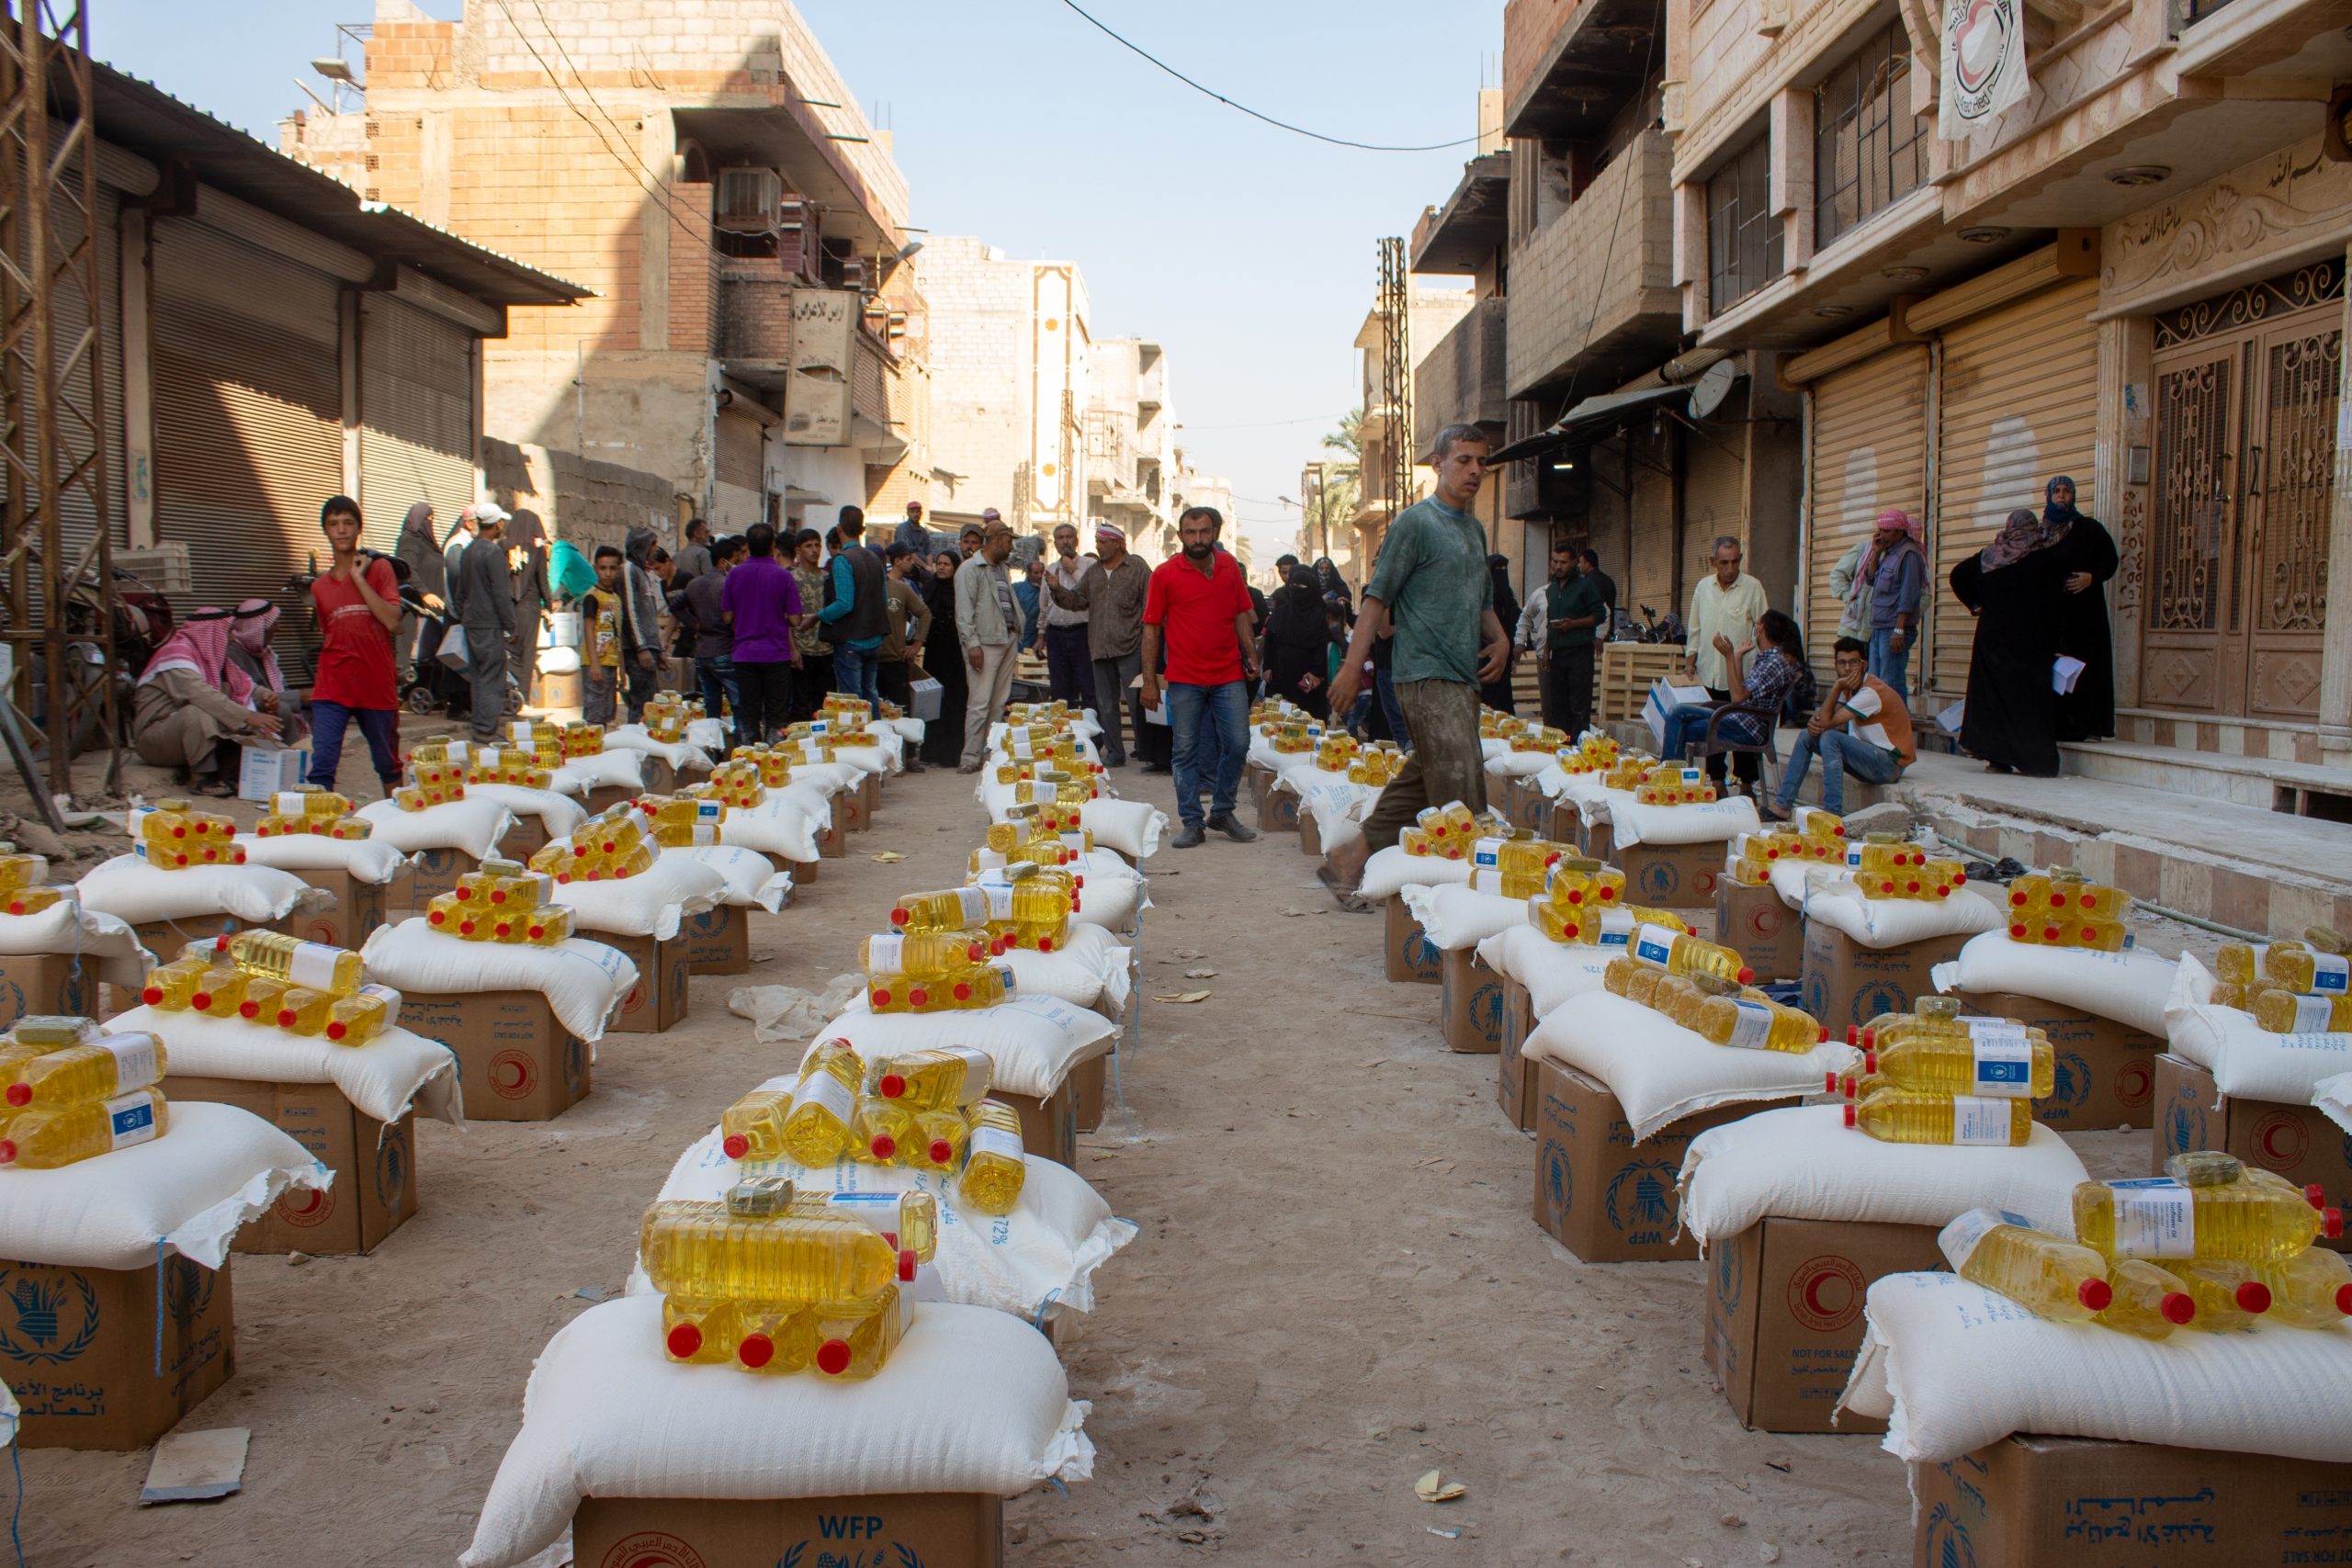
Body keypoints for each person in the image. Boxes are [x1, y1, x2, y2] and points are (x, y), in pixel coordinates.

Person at [1321, 425, 1509, 898]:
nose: (1474, 471)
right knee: (1460, 797)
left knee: (1426, 775)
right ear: (1438, 465)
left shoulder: (1474, 528)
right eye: (1463, 460)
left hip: (1461, 677)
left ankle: (1350, 857)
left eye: (1481, 462)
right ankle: (1455, 901)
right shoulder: (1416, 523)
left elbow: (1482, 600)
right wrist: (1350, 668)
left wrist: (1501, 640)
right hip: (1424, 675)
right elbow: (1376, 598)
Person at [1140, 506, 1260, 846]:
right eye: (1190, 533)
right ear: (1180, 537)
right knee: (1185, 751)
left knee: (1238, 743)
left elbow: (1240, 614)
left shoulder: (1229, 568)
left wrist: (1249, 654)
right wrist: (1150, 681)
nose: (1197, 539)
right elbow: (1151, 630)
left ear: (1215, 533)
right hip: (1185, 678)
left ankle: (1222, 811)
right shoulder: (1164, 574)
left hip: (1228, 674)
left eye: (1203, 532)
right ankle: (1192, 822)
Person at [1951, 508, 2067, 776]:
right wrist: (2062, 642)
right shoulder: (2044, 559)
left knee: (1994, 700)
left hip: (1993, 639)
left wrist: (1975, 603)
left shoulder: (1990, 557)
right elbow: (2056, 604)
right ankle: (2035, 761)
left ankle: (1997, 759)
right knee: (2029, 702)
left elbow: (1957, 575)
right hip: (2031, 641)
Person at [301, 494, 402, 796]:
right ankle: (318, 835)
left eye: (348, 523)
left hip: (375, 682)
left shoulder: (380, 570)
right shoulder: (319, 587)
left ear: (359, 528)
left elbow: (392, 621)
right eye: (333, 524)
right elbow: (329, 632)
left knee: (388, 763)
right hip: (333, 684)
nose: (341, 530)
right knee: (322, 765)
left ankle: (402, 828)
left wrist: (359, 578)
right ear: (326, 531)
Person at [131, 608, 285, 794]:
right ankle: (200, 778)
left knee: (254, 718)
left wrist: (265, 696)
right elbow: (202, 695)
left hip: (184, 735)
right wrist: (248, 716)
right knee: (196, 712)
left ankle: (241, 773)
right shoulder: (176, 657)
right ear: (212, 633)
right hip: (154, 739)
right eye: (227, 632)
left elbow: (242, 684)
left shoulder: (214, 659)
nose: (232, 638)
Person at [1763, 635, 1914, 820]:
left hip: (1889, 765)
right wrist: (1816, 722)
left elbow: (1827, 723)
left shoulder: (1870, 692)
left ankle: (1832, 813)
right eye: (1842, 663)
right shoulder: (1850, 688)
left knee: (1830, 737)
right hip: (1872, 760)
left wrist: (1835, 689)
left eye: (1853, 663)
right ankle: (1782, 805)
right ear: (1835, 665)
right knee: (1806, 736)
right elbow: (1824, 718)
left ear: (1864, 665)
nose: (1847, 668)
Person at [1046, 522, 1154, 767]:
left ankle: (1145, 750)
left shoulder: (1137, 567)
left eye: (1104, 542)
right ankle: (1115, 753)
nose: (1099, 546)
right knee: (1105, 705)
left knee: (1137, 702)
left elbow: (1150, 605)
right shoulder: (1094, 572)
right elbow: (1077, 601)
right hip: (1099, 647)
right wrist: (1057, 589)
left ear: (1118, 543)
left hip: (1131, 646)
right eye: (1097, 542)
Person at [1657, 609, 1812, 769]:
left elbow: (1738, 697)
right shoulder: (1769, 659)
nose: (1754, 628)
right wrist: (1737, 656)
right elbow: (1741, 691)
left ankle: (1672, 778)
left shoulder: (1774, 662)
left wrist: (1729, 656)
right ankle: (1674, 777)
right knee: (1678, 715)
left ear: (1762, 629)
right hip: (1737, 719)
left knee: (1677, 720)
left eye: (1756, 624)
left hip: (1746, 728)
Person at [1681, 536, 1771, 794]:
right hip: (1710, 671)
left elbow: (1762, 627)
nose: (1730, 569)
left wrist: (1755, 659)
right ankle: (1717, 782)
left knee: (1742, 728)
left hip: (1742, 675)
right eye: (1724, 563)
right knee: (1713, 728)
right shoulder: (1702, 588)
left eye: (1734, 562)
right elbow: (1694, 629)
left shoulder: (1752, 587)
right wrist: (1690, 663)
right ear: (1713, 562)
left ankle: (1746, 784)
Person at [2042, 475, 2117, 741]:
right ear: (2049, 496)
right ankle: (2059, 726)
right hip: (2055, 615)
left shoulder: (2089, 529)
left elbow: (2110, 561)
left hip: (2087, 614)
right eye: (2057, 492)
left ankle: (2091, 727)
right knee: (2058, 668)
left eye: (2067, 491)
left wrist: (2091, 578)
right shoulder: (2042, 534)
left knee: (2088, 668)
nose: (2062, 496)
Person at [725, 523, 804, 744]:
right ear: (772, 546)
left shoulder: (734, 575)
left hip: (744, 655)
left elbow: (727, 617)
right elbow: (796, 619)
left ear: (748, 546)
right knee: (776, 716)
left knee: (748, 714)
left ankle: (748, 763)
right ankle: (775, 763)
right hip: (776, 656)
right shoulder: (784, 577)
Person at [954, 521, 1021, 772]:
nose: (1011, 545)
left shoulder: (1001, 567)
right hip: (984, 643)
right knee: (980, 703)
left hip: (1006, 638)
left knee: (997, 703)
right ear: (996, 540)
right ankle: (970, 757)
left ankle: (989, 754)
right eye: (1008, 540)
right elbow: (964, 613)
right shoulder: (969, 569)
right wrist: (972, 644)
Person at [1519, 541, 1604, 736]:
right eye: (1555, 562)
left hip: (1579, 653)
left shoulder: (1585, 587)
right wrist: (1546, 650)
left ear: (1574, 562)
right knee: (1557, 705)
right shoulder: (1551, 589)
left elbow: (1599, 616)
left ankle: (1577, 750)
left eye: (1563, 562)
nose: (1558, 566)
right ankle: (1560, 749)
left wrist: (1573, 624)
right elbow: (1549, 621)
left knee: (1578, 706)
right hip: (1557, 653)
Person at [450, 502, 515, 739]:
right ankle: (486, 729)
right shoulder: (493, 552)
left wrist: (463, 614)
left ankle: (480, 725)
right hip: (489, 623)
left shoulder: (468, 551)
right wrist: (511, 624)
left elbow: (460, 590)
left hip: (472, 622)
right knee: (492, 677)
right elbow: (501, 593)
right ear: (497, 524)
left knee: (478, 676)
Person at [817, 505, 888, 716]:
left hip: (851, 643)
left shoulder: (843, 561)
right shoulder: (875, 559)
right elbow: (883, 598)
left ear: (839, 529)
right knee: (870, 695)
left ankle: (859, 743)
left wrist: (818, 616)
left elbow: (844, 604)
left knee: (852, 702)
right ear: (862, 530)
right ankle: (876, 739)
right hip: (874, 639)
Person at [1854, 509, 1927, 707]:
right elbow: (1870, 579)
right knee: (1877, 684)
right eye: (1880, 531)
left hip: (1894, 630)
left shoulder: (1908, 554)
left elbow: (1909, 594)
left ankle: (1897, 730)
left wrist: (1899, 628)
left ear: (1899, 531)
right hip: (1879, 629)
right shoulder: (1889, 554)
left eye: (1886, 532)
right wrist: (1876, 553)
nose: (1881, 536)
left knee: (1891, 683)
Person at [681, 533, 743, 749]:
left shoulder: (695, 584)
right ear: (724, 561)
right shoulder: (727, 584)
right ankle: (740, 749)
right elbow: (733, 617)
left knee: (712, 708)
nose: (737, 565)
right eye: (735, 560)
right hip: (724, 649)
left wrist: (694, 624)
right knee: (739, 704)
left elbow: (676, 607)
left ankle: (714, 751)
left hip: (702, 652)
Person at [877, 542, 933, 771]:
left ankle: (909, 758)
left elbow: (924, 613)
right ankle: (882, 760)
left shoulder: (901, 589)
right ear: (896, 560)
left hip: (896, 659)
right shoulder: (868, 587)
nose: (912, 563)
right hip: (870, 661)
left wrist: (917, 644)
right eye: (909, 558)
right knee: (875, 714)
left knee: (902, 711)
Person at [1261, 565, 1337, 720]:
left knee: (1307, 721)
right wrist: (1268, 667)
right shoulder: (1281, 613)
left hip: (1306, 679)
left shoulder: (1318, 617)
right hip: (1280, 676)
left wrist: (1315, 673)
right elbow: (1270, 640)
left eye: (1303, 587)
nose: (1298, 590)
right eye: (1294, 586)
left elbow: (1321, 648)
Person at [227, 597, 305, 747]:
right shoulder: (233, 654)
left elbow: (278, 689)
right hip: (247, 712)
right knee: (283, 711)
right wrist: (299, 696)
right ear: (257, 628)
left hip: (271, 702)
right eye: (273, 623)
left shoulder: (266, 653)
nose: (279, 628)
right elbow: (246, 697)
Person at [1040, 522, 1099, 716]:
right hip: (1056, 635)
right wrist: (1041, 635)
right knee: (1061, 691)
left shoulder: (1089, 565)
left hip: (1083, 633)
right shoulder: (1049, 569)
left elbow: (1094, 594)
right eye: (1060, 538)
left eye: (1069, 537)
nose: (1065, 541)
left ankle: (1093, 740)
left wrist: (1073, 569)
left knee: (1088, 687)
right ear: (1055, 542)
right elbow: (1044, 606)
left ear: (1076, 540)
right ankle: (1063, 738)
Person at [919, 547, 968, 768]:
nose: (941, 567)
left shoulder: (961, 591)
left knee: (955, 700)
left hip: (956, 653)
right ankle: (931, 752)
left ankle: (951, 753)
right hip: (935, 652)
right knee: (934, 700)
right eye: (939, 563)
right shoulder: (930, 588)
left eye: (946, 564)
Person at [392, 502, 447, 676]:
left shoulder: (428, 543)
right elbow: (407, 570)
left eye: (432, 518)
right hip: (412, 607)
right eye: (427, 518)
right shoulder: (409, 541)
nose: (430, 522)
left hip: (431, 610)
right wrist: (425, 593)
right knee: (409, 654)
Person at [620, 525, 666, 723]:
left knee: (650, 705)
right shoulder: (629, 570)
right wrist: (641, 648)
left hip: (649, 649)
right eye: (652, 544)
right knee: (640, 706)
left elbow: (649, 615)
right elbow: (630, 612)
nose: (655, 549)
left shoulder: (642, 573)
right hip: (639, 651)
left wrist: (659, 649)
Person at [506, 507, 549, 704]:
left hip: (508, 607)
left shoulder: (503, 547)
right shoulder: (536, 550)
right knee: (527, 652)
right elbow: (543, 581)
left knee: (511, 651)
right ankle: (521, 695)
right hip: (530, 607)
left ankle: (508, 691)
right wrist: (548, 604)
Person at [581, 545, 627, 725]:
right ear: (595, 569)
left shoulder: (615, 598)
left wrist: (622, 670)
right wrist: (594, 664)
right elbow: (589, 630)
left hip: (610, 663)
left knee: (607, 713)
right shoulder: (592, 597)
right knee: (594, 714)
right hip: (596, 663)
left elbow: (617, 634)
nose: (608, 573)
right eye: (603, 568)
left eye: (613, 568)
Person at [787, 528, 829, 722]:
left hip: (826, 649)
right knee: (800, 707)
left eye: (817, 545)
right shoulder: (792, 579)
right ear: (798, 550)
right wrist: (792, 649)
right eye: (808, 546)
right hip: (802, 650)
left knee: (822, 708)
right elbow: (785, 617)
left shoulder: (827, 578)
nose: (814, 550)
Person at [1483, 555, 1521, 714]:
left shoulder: (1507, 597)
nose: (1501, 574)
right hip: (1483, 657)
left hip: (1503, 660)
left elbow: (1514, 624)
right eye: (1497, 570)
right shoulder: (1483, 598)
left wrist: (1511, 655)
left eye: (1503, 570)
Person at [1579, 548, 1616, 638]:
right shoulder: (1608, 580)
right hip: (1608, 630)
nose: (1578, 565)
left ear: (1588, 564)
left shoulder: (1587, 583)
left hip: (1593, 631)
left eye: (1580, 562)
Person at [672, 517, 713, 585]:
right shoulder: (703, 553)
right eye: (706, 532)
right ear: (696, 534)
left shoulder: (676, 556)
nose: (709, 535)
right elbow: (710, 580)